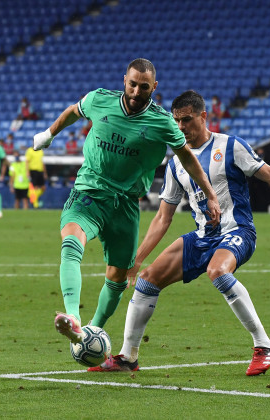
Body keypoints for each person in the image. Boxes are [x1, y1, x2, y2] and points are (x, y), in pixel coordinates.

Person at [88, 90, 270, 375]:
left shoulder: (231, 146)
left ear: (203, 116)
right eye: (176, 121)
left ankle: (264, 345)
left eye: (187, 120)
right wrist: (136, 261)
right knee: (147, 281)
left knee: (218, 271)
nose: (181, 127)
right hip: (202, 237)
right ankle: (127, 357)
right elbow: (164, 216)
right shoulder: (176, 162)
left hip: (238, 232)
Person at [32, 60, 220, 348]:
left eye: (143, 87)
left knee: (118, 276)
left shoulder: (162, 122)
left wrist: (210, 192)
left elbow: (187, 158)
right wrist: (48, 134)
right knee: (71, 241)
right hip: (89, 192)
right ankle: (72, 317)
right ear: (124, 80)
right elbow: (73, 111)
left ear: (153, 87)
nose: (136, 91)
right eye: (132, 84)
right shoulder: (99, 100)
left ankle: (90, 332)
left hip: (126, 205)